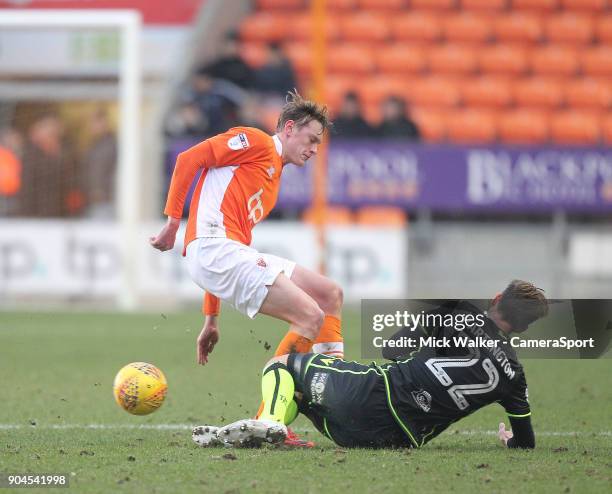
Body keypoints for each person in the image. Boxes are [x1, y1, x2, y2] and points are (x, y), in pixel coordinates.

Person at [150, 92, 345, 447]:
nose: (315, 149)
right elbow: (188, 159)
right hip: (212, 248)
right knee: (309, 317)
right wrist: (172, 223)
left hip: (225, 252)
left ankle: (337, 383)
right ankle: (270, 420)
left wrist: (211, 319)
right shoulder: (255, 142)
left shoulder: (271, 181)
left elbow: (232, 253)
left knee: (329, 294)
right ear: (289, 129)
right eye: (312, 139)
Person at [193, 280, 548, 449]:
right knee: (301, 394)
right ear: (524, 326)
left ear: (497, 297)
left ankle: (270, 423)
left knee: (282, 366)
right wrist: (509, 441)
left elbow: (393, 350)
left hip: (368, 400)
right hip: (391, 440)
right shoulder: (515, 377)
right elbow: (526, 441)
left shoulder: (458, 315)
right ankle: (270, 433)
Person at [82, 109, 117, 218]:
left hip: (106, 201)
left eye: (95, 122)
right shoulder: (94, 145)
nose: (91, 126)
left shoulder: (112, 145)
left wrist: (102, 192)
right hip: (93, 201)